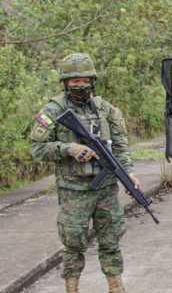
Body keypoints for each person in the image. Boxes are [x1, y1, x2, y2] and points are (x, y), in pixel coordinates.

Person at [30, 53, 140, 293]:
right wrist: (68, 148)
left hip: (106, 188)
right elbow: (37, 148)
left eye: (84, 80)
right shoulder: (53, 110)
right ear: (65, 82)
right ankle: (72, 288)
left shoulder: (106, 110)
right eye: (73, 80)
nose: (79, 85)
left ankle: (116, 287)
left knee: (111, 240)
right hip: (74, 191)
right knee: (73, 244)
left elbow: (121, 146)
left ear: (92, 80)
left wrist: (129, 173)